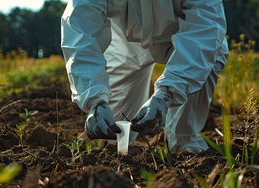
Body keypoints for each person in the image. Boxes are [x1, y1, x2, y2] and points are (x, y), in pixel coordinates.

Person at [61, 0, 229, 154]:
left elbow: (205, 30)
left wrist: (166, 95)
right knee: (112, 132)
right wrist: (94, 98)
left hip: (185, 33)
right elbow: (80, 32)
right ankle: (114, 155)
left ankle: (184, 145)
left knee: (214, 52)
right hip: (127, 41)